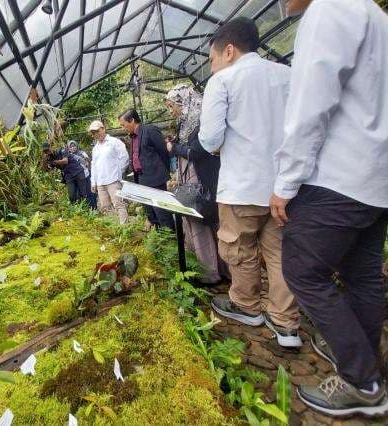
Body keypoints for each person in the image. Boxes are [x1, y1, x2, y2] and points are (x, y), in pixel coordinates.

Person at [270, 0, 388, 416]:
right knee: (362, 277)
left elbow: (310, 106)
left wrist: (286, 183)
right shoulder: (376, 15)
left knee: (303, 271)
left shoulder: (328, 10)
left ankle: (362, 379)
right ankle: (367, 366)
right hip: (376, 180)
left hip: (336, 176)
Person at [198, 17, 301, 347]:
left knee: (239, 250)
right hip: (282, 187)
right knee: (280, 254)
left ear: (229, 50)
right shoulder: (288, 75)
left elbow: (210, 138)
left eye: (212, 58)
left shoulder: (223, 81)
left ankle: (246, 306)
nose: (212, 66)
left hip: (241, 186)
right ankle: (286, 324)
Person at [165, 84, 228, 284]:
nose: (171, 110)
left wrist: (174, 147)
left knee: (201, 222)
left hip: (200, 180)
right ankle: (205, 269)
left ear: (184, 102)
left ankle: (211, 273)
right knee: (195, 222)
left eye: (172, 105)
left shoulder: (201, 121)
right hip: (190, 179)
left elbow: (197, 152)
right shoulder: (185, 123)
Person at [118, 109, 175, 230]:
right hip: (142, 180)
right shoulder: (133, 137)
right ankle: (159, 240)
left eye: (123, 125)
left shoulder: (150, 130)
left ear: (132, 120)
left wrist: (163, 173)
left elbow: (163, 152)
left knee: (162, 213)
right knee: (151, 214)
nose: (123, 128)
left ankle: (172, 240)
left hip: (155, 179)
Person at [87, 120, 129, 224]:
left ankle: (125, 228)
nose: (95, 134)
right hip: (101, 182)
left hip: (113, 180)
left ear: (103, 129)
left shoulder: (114, 142)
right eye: (93, 133)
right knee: (105, 207)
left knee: (119, 204)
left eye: (97, 131)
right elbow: (94, 165)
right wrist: (93, 182)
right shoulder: (95, 148)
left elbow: (124, 157)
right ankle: (115, 228)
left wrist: (119, 173)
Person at [67, 140, 97, 209]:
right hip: (75, 178)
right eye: (70, 147)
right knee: (79, 194)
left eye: (74, 146)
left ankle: (94, 208)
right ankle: (84, 209)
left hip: (86, 175)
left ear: (76, 146)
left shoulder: (82, 153)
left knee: (90, 192)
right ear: (68, 148)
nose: (73, 148)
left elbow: (88, 162)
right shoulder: (68, 156)